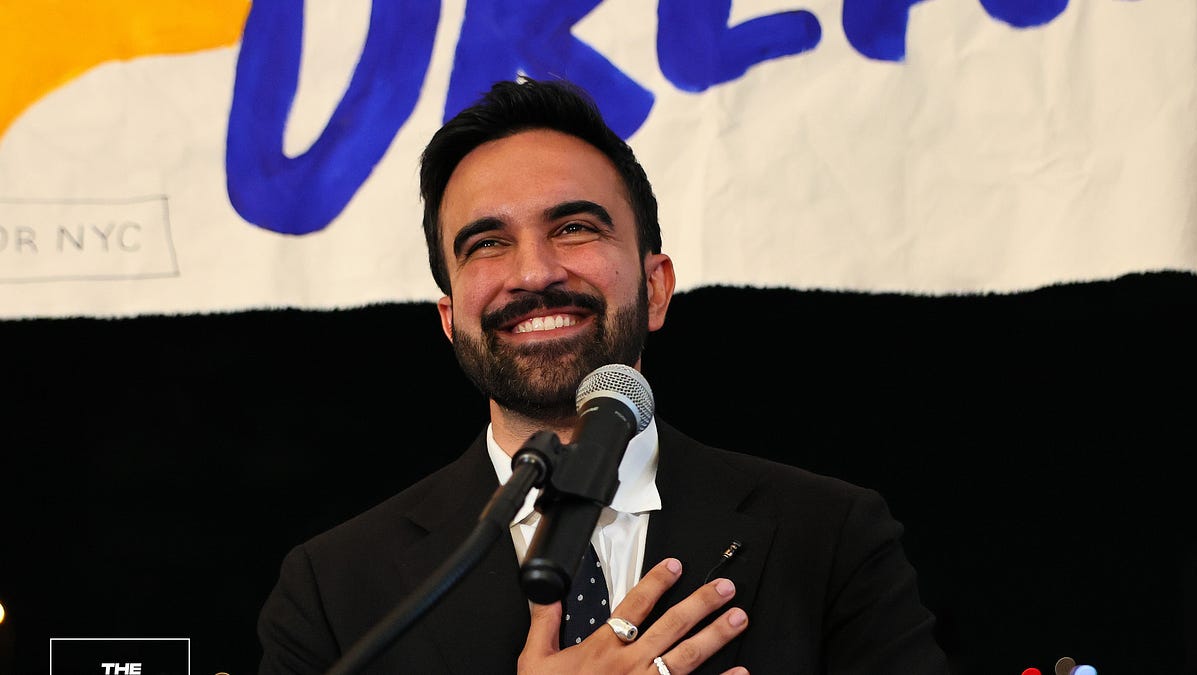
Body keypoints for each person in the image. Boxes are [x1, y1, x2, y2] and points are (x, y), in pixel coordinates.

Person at [257, 77, 950, 675]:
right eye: (488, 243)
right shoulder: (334, 588)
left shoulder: (828, 535)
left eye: (575, 228)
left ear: (656, 287)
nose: (534, 272)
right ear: (449, 317)